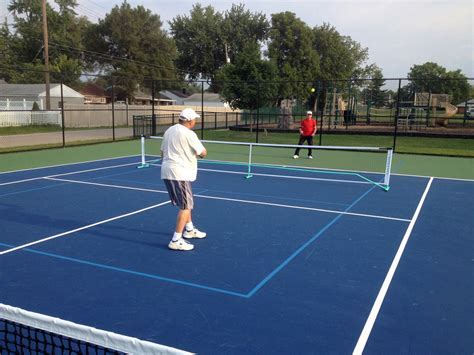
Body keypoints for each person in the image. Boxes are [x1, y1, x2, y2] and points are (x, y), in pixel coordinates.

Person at [160, 108, 207, 251]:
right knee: (186, 206)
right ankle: (176, 239)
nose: (195, 122)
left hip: (168, 170)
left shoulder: (169, 131)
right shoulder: (189, 134)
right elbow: (203, 153)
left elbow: (162, 152)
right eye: (194, 120)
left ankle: (189, 229)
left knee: (186, 202)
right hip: (180, 173)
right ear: (190, 121)